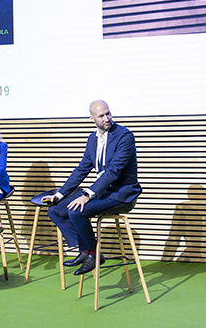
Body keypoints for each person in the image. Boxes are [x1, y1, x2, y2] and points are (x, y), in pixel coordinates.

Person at [42, 100, 142, 275]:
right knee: (55, 210)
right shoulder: (92, 139)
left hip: (121, 193)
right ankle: (87, 251)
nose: (107, 118)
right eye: (101, 116)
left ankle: (91, 254)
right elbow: (81, 169)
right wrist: (59, 195)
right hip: (102, 191)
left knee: (76, 210)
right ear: (92, 118)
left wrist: (88, 195)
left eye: (108, 113)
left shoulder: (124, 136)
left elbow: (113, 171)